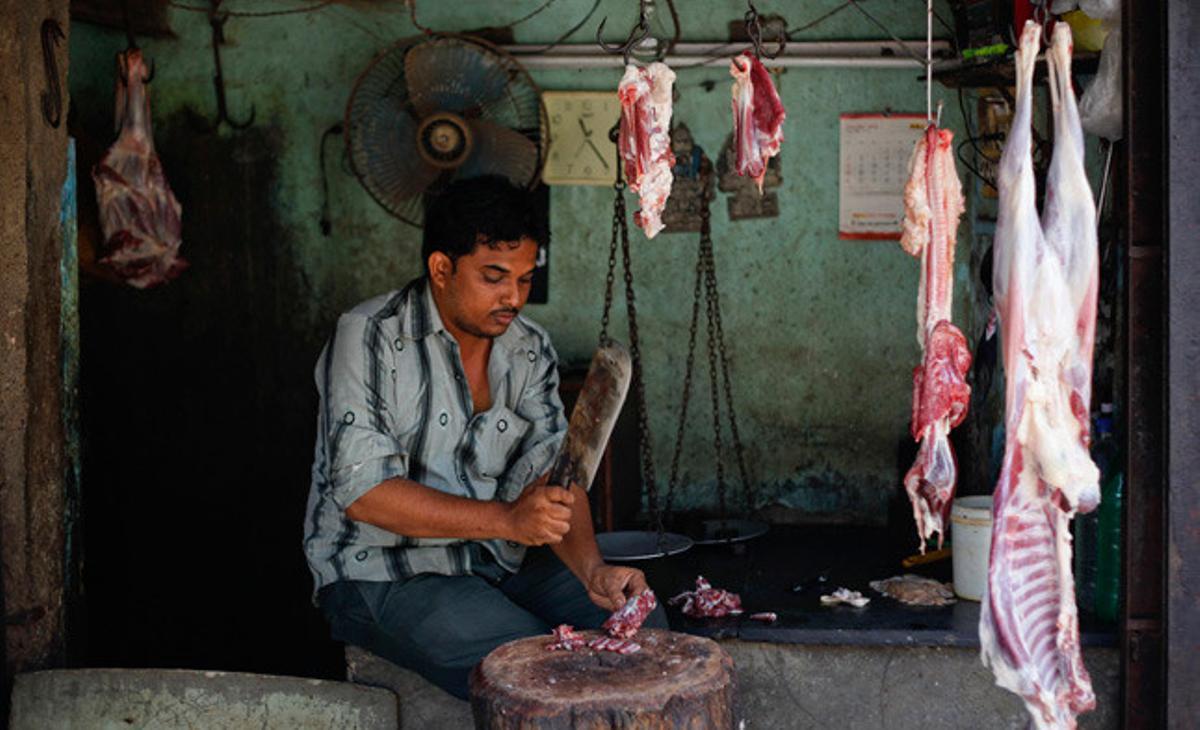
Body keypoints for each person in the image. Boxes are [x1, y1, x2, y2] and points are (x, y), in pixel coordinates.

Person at [303, 175, 667, 700]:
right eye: (494, 277)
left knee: (648, 636)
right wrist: (506, 521)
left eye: (523, 279)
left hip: (496, 564)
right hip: (383, 574)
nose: (513, 297)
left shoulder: (527, 349)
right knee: (536, 672)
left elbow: (554, 479)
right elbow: (364, 493)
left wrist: (594, 571)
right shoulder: (368, 337)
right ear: (442, 268)